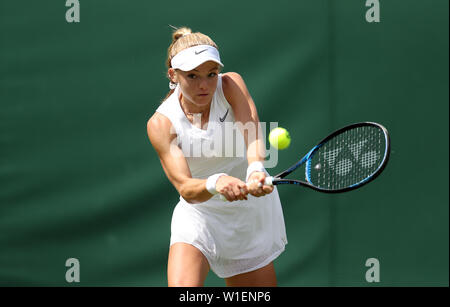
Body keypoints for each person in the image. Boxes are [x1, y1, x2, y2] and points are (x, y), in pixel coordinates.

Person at [147, 26, 287, 287]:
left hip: (247, 215)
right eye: (192, 75)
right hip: (199, 214)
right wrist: (215, 182)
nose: (204, 85)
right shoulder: (161, 123)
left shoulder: (231, 85)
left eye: (212, 74)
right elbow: (186, 188)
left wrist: (256, 168)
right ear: (173, 75)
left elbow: (252, 128)